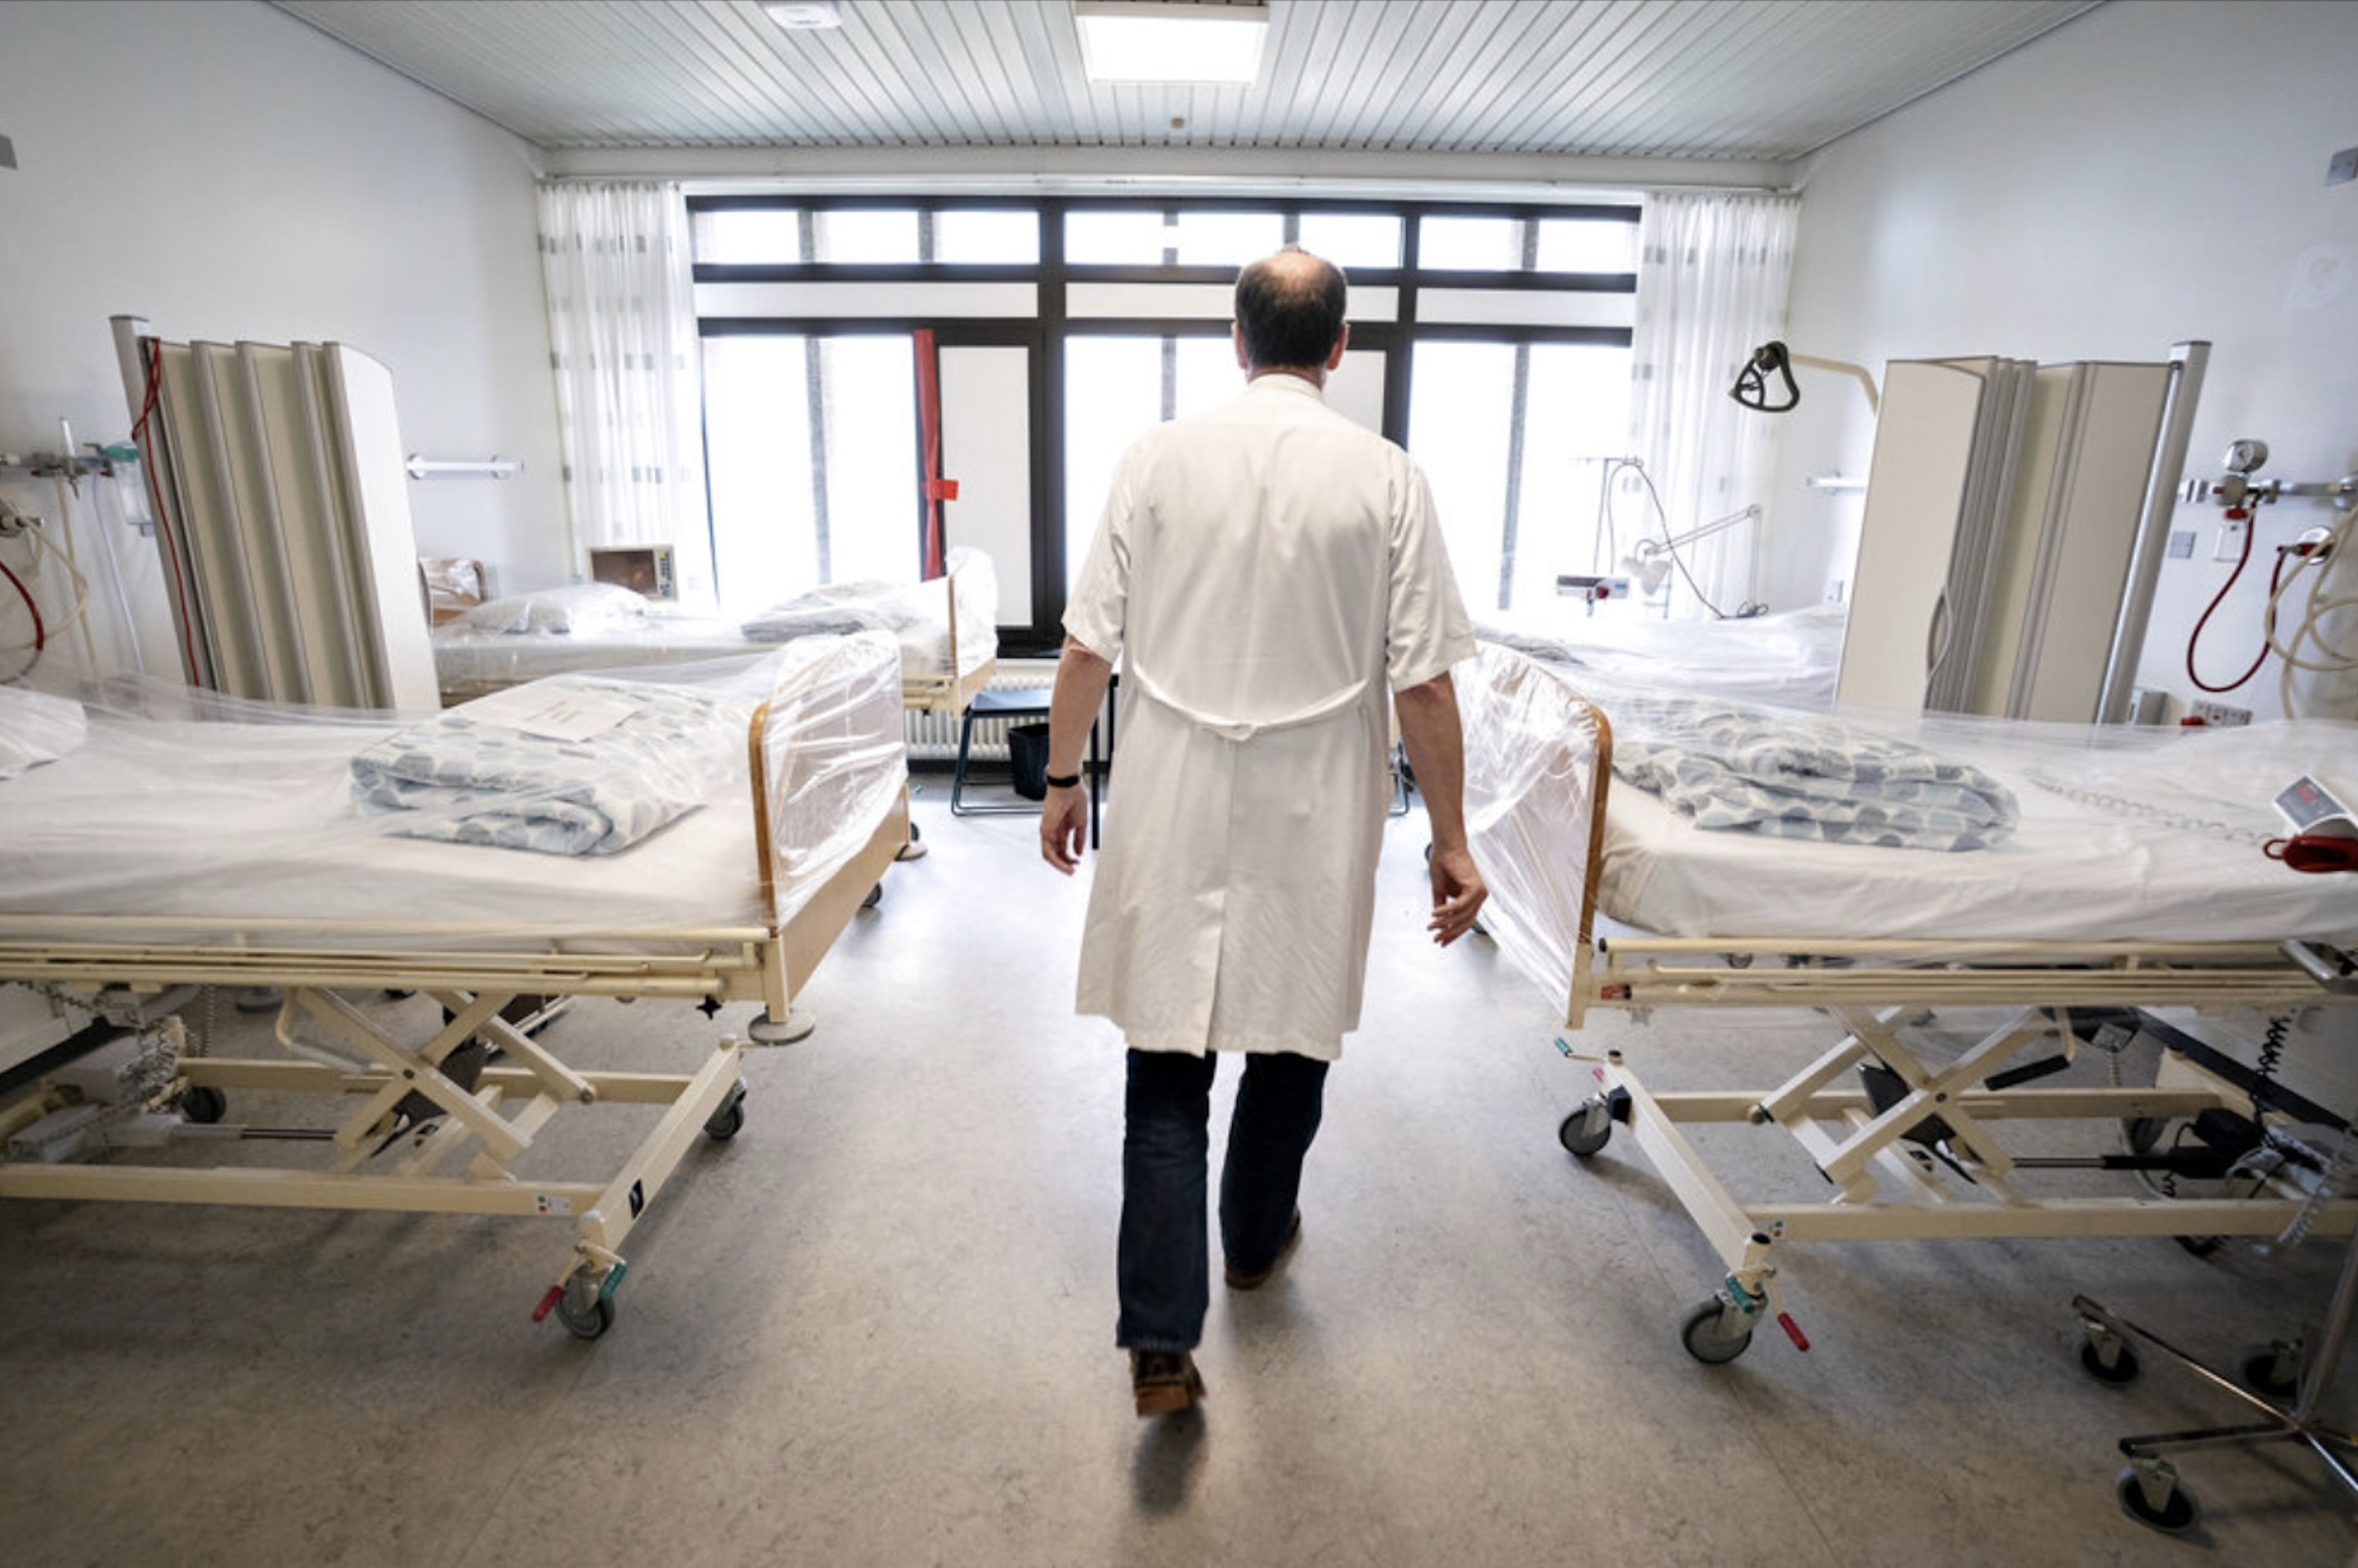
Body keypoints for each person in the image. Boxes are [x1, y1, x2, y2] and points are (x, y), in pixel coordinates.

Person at [1038, 245, 1487, 1418]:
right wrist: (1452, 837)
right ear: (1340, 346)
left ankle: (1159, 1338)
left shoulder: (1155, 458)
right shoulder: (1388, 479)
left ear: (1236, 342)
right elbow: (1426, 683)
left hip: (1172, 797)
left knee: (1165, 1064)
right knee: (1291, 1042)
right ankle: (1249, 1245)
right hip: (1315, 808)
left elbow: (1085, 649)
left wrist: (1060, 778)